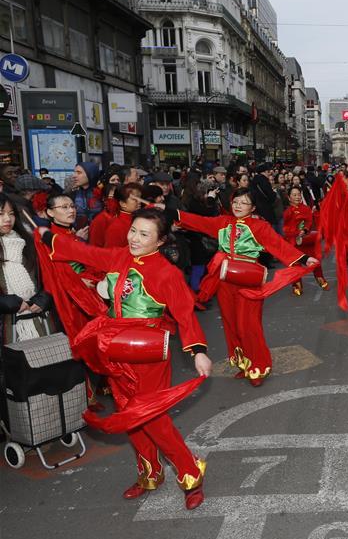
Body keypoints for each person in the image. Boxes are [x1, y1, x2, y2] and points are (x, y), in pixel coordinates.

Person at [38, 208, 211, 509]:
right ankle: (150, 474)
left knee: (153, 419)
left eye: (145, 234)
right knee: (131, 418)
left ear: (160, 241)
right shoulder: (119, 257)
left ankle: (190, 473)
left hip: (147, 354)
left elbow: (185, 312)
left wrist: (198, 351)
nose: (135, 238)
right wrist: (49, 236)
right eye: (134, 230)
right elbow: (84, 252)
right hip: (116, 349)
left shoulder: (166, 272)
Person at [168, 188, 317, 386]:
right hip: (225, 279)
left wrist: (304, 258)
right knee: (231, 324)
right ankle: (244, 364)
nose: (238, 206)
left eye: (244, 202)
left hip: (249, 280)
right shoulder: (222, 222)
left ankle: (258, 366)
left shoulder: (259, 227)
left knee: (249, 324)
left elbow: (278, 245)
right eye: (236, 201)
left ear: (253, 207)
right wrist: (173, 213)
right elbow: (199, 222)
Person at [0, 193, 52, 343]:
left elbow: (49, 279)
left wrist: (44, 298)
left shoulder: (29, 244)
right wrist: (8, 303)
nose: (7, 219)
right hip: (6, 329)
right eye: (1, 214)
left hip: (42, 323)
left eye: (11, 214)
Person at [283, 185, 329, 295]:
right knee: (295, 264)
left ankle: (320, 278)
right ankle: (297, 285)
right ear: (289, 197)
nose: (297, 197)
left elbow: (309, 222)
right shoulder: (287, 211)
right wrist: (294, 233)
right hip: (292, 241)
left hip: (305, 239)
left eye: (299, 194)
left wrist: (304, 230)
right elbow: (284, 227)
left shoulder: (306, 209)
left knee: (314, 260)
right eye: (294, 195)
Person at [103, 183, 144, 248]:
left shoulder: (137, 219)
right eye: (134, 199)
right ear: (123, 203)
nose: (139, 201)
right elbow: (112, 253)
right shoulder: (117, 227)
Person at [70, 161, 103, 227]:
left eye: (79, 173)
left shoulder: (102, 194)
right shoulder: (72, 195)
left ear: (90, 174)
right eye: (75, 172)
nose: (74, 176)